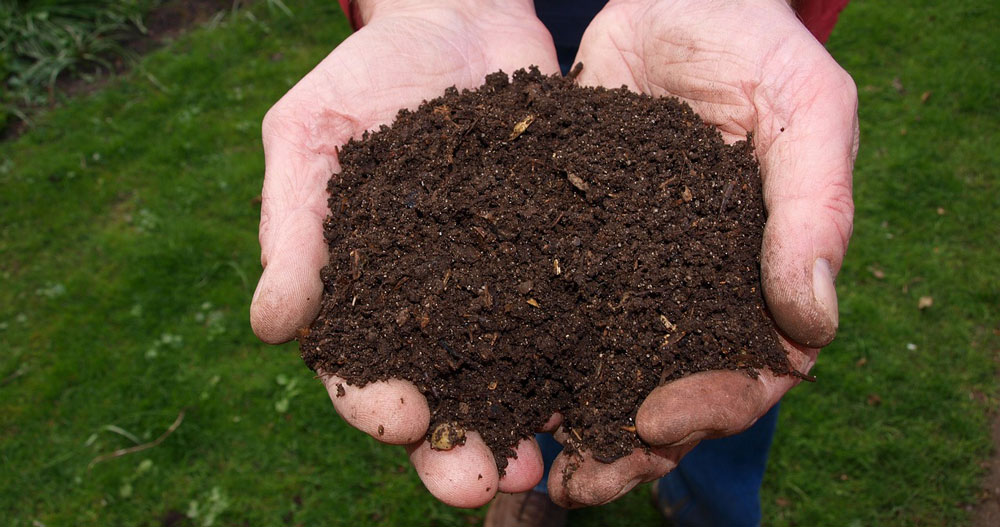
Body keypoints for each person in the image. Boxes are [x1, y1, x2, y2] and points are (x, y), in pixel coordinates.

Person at [250, 0, 857, 525]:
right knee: (533, 396)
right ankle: (539, 487)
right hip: (485, 30)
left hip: (672, 48)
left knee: (719, 393)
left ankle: (710, 506)